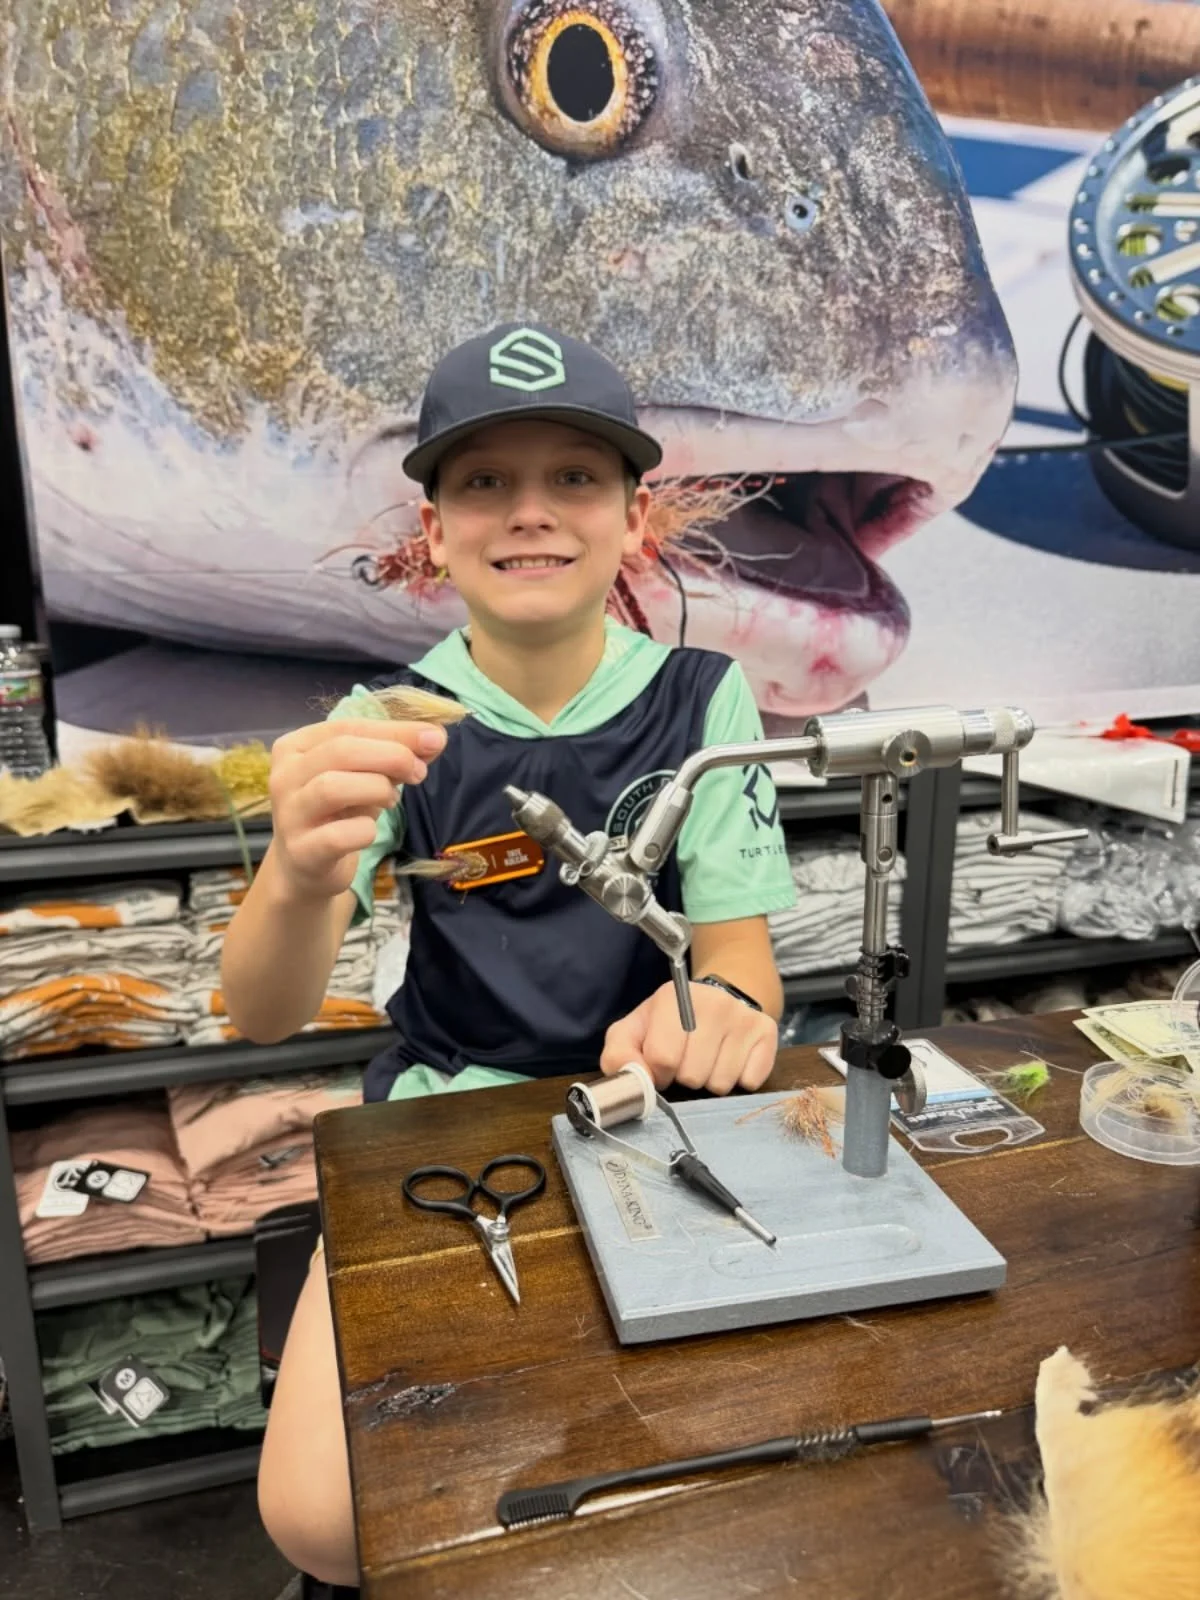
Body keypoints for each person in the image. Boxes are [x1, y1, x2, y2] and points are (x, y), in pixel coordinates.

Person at [220, 323, 797, 1587]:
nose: (530, 512)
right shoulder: (383, 726)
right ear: (433, 530)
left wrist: (728, 1016)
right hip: (441, 1124)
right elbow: (259, 1012)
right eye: (484, 481)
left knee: (704, 1474)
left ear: (635, 518)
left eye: (575, 478)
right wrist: (299, 869)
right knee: (324, 1516)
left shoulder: (707, 703)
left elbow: (745, 965)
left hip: (654, 1125)